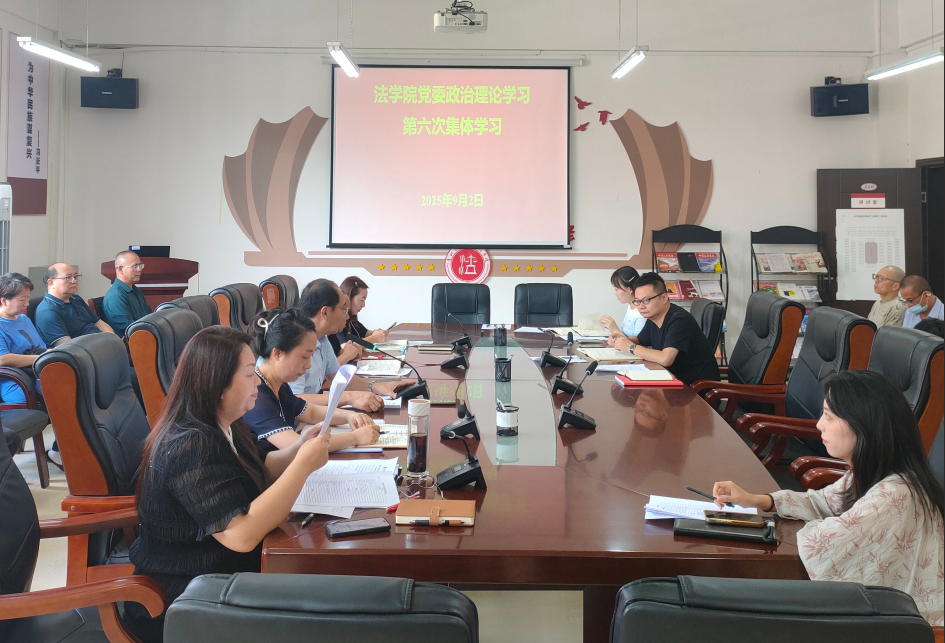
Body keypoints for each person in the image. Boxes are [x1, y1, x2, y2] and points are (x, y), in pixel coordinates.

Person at [125, 326, 332, 642]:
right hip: (185, 599)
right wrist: (303, 465)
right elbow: (241, 535)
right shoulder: (190, 445)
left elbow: (258, 470)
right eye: (249, 374)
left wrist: (298, 449)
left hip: (221, 579)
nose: (258, 382)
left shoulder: (227, 422)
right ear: (219, 384)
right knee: (322, 605)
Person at [712, 370, 944, 625]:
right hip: (894, 619)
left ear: (864, 426)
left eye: (829, 416)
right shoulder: (868, 474)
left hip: (916, 628)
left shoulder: (896, 495)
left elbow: (824, 544)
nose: (819, 424)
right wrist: (757, 500)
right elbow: (822, 502)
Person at [242, 308, 380, 454]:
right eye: (304, 357)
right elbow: (295, 444)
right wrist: (355, 438)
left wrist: (349, 416)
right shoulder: (256, 395)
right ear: (278, 353)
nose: (308, 365)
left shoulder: (278, 385)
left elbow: (311, 412)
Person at [291, 279, 413, 410]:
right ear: (325, 312)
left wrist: (377, 386)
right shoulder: (294, 342)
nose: (347, 316)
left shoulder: (322, 339)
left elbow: (338, 377)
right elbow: (294, 400)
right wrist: (349, 398)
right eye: (344, 310)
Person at [609, 272, 720, 385]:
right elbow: (640, 340)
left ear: (664, 298)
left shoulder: (678, 320)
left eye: (646, 300)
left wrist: (631, 347)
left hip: (695, 388)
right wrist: (620, 340)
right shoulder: (653, 317)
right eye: (637, 301)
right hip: (671, 379)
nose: (641, 306)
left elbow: (665, 359)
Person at [34, 263, 114, 347]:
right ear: (51, 283)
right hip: (84, 351)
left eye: (75, 277)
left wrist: (113, 340)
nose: (74, 281)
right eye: (68, 278)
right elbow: (69, 347)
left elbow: (98, 322)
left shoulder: (76, 298)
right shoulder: (47, 311)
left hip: (101, 344)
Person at [0, 273, 46, 405]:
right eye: (22, 300)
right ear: (3, 301)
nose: (27, 304)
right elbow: (3, 359)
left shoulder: (24, 319)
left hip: (37, 372)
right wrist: (41, 358)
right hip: (15, 380)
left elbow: (40, 347)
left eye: (28, 298)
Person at [103, 250, 152, 337]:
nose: (139, 269)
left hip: (143, 335)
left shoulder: (136, 290)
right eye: (135, 266)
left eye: (140, 265)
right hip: (131, 341)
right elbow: (129, 328)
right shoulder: (116, 296)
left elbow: (149, 315)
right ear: (121, 269)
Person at [338, 276, 390, 344]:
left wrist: (378, 333)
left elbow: (366, 333)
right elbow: (347, 347)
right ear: (349, 298)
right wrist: (374, 338)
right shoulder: (338, 323)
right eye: (362, 300)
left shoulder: (352, 320)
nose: (363, 305)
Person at [599, 266, 644, 341]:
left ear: (629, 289)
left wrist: (615, 329)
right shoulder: (631, 307)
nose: (615, 293)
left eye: (616, 289)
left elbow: (637, 345)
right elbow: (623, 334)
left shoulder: (642, 313)